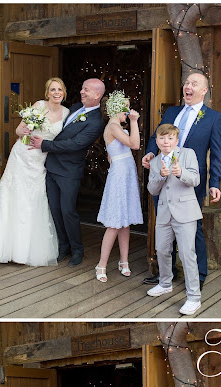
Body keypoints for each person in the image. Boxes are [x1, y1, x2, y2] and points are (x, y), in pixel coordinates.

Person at [142, 72, 221, 289]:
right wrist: (151, 153)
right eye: (187, 83)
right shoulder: (172, 111)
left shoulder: (213, 118)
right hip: (163, 180)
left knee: (193, 228)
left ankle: (199, 275)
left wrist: (214, 183)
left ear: (204, 91)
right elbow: (155, 137)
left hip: (189, 181)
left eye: (194, 84)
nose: (188, 86)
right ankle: (165, 275)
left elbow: (216, 154)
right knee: (164, 227)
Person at [0, 78, 69, 267]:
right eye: (52, 89)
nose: (56, 93)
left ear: (64, 92)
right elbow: (18, 130)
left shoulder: (67, 113)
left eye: (59, 89)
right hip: (22, 156)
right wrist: (26, 130)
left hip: (41, 161)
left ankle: (26, 250)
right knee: (14, 197)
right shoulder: (39, 106)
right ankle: (7, 248)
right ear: (47, 93)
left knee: (33, 200)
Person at [30, 78, 106, 267]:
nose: (81, 92)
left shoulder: (96, 121)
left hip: (69, 171)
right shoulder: (75, 107)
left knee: (68, 211)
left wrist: (45, 144)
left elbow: (76, 144)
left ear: (97, 95)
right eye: (82, 88)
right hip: (51, 166)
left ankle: (77, 249)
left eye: (86, 90)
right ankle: (63, 247)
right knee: (55, 210)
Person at [146, 124, 202, 315]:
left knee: (187, 254)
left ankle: (194, 297)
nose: (166, 142)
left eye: (170, 138)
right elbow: (152, 190)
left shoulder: (188, 154)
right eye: (162, 138)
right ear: (157, 141)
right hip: (164, 213)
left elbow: (196, 180)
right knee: (161, 250)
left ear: (176, 141)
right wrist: (160, 177)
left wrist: (181, 173)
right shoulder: (155, 162)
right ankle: (165, 283)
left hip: (185, 212)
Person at [95, 90, 142, 283]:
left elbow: (113, 152)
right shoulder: (113, 126)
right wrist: (133, 122)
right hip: (120, 176)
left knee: (126, 221)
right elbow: (135, 144)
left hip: (127, 173)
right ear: (116, 110)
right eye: (126, 108)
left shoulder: (116, 127)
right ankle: (102, 264)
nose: (129, 111)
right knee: (114, 223)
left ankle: (124, 261)